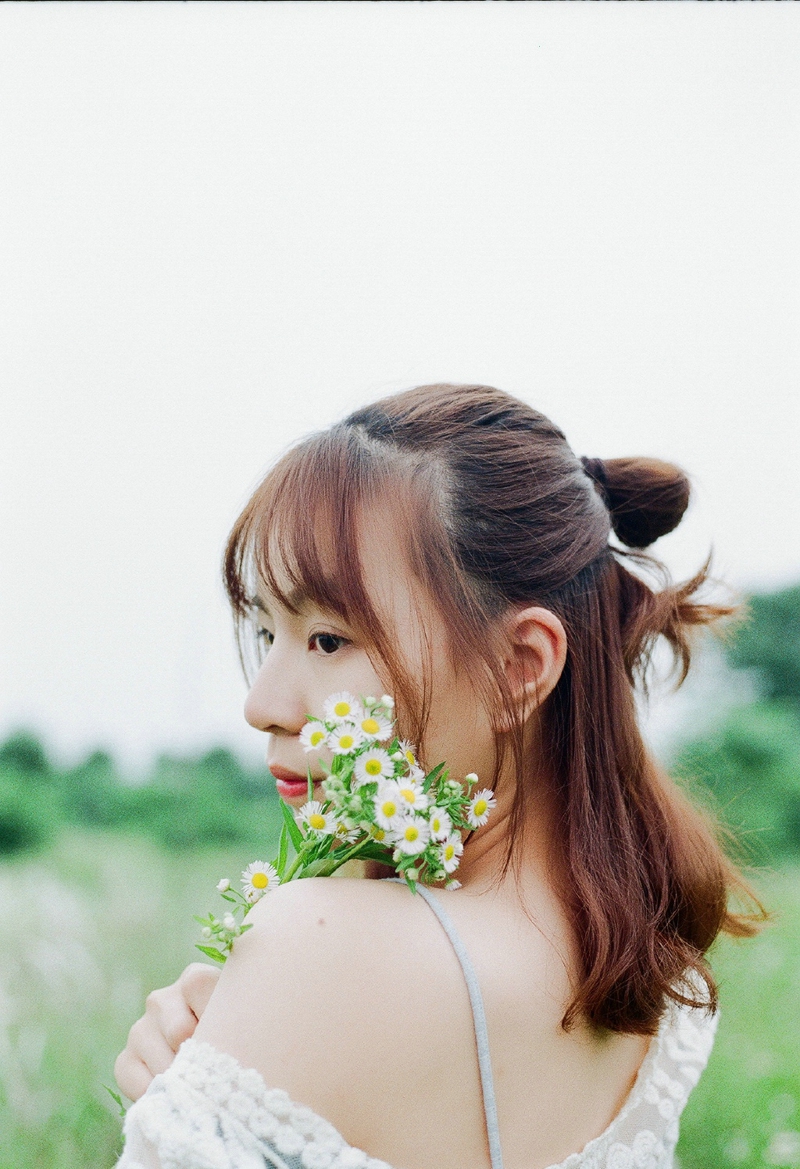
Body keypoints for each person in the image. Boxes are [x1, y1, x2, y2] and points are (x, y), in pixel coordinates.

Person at [113, 383, 760, 1169]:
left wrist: (180, 1109)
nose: (263, 705)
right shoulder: (641, 982)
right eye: (263, 630)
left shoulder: (312, 944)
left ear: (517, 667)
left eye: (327, 638)